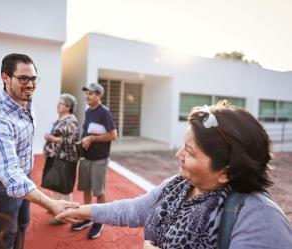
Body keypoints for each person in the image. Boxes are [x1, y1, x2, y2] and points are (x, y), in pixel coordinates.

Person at [57, 101, 292, 249]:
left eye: (189, 152)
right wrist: (82, 211)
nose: (178, 155)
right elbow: (135, 209)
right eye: (183, 145)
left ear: (224, 173)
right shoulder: (180, 185)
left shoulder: (261, 222)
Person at [0, 53, 78, 249]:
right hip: (0, 185)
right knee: (5, 238)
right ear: (5, 77)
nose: (30, 84)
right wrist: (51, 204)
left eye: (33, 78)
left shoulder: (25, 101)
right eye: (23, 78)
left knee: (22, 225)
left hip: (24, 176)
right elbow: (9, 174)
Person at [71, 82, 117, 239]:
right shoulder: (89, 111)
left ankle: (100, 220)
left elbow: (113, 135)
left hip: (99, 159)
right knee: (86, 189)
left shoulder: (105, 113)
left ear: (99, 95)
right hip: (86, 157)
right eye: (86, 93)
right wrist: (84, 140)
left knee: (99, 192)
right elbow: (87, 131)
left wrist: (91, 138)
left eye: (91, 94)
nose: (87, 96)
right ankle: (87, 217)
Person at [42, 93, 80, 225]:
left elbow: (71, 140)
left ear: (68, 106)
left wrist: (52, 138)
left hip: (65, 159)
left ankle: (65, 213)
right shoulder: (61, 119)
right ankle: (57, 206)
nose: (58, 105)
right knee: (53, 184)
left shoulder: (71, 120)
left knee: (63, 187)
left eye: (61, 103)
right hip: (55, 156)